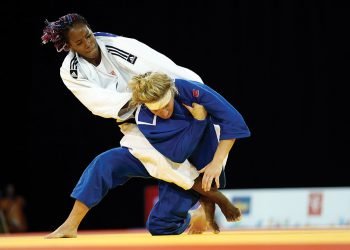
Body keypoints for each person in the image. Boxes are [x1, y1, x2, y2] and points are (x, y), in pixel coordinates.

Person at [41, 13, 241, 237]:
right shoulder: (71, 71)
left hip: (172, 111)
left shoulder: (118, 45)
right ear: (68, 46)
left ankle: (205, 203)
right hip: (137, 120)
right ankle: (70, 224)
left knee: (163, 221)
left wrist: (190, 94)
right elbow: (96, 103)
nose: (88, 43)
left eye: (88, 36)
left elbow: (161, 67)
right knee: (105, 164)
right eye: (79, 42)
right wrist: (141, 102)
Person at [128, 72, 251, 232]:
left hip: (205, 145)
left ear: (172, 92)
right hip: (171, 160)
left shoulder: (187, 90)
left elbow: (233, 120)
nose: (164, 113)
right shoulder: (145, 119)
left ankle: (205, 206)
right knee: (158, 226)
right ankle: (206, 205)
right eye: (157, 110)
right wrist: (199, 120)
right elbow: (177, 156)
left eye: (166, 105)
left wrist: (216, 162)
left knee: (212, 175)